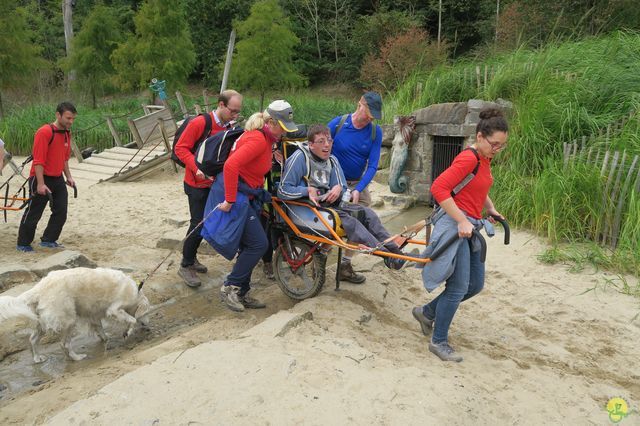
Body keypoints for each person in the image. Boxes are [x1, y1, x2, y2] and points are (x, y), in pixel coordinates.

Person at [412, 108, 508, 362]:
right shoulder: (469, 158)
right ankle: (438, 341)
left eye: (501, 145)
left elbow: (477, 184)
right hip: (455, 227)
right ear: (480, 137)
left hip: (469, 225)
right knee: (457, 287)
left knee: (474, 285)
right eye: (494, 144)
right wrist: (463, 219)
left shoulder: (483, 159)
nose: (497, 149)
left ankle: (426, 312)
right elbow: (439, 188)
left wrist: (490, 208)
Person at [277, 124, 406, 270]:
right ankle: (387, 256)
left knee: (368, 213)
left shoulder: (332, 160)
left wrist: (338, 188)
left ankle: (396, 253)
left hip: (330, 206)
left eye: (329, 140)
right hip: (308, 208)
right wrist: (306, 190)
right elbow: (283, 190)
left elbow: (344, 188)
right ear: (311, 145)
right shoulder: (300, 158)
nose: (327, 145)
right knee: (353, 223)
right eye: (321, 141)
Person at [217, 100, 298, 312]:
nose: (283, 133)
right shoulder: (258, 140)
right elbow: (230, 165)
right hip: (238, 197)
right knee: (259, 244)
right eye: (282, 127)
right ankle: (230, 287)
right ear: (270, 122)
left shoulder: (266, 139)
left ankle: (242, 292)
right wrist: (229, 200)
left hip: (249, 195)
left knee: (248, 246)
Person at [174, 90, 243, 288]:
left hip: (214, 183)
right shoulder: (200, 123)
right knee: (198, 222)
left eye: (238, 112)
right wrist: (197, 169)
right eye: (232, 111)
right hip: (196, 183)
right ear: (221, 105)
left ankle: (192, 258)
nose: (235, 115)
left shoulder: (229, 125)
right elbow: (181, 148)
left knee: (209, 221)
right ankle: (186, 264)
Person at [327, 91, 384, 283]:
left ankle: (345, 264)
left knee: (360, 221)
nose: (370, 118)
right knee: (330, 221)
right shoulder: (338, 124)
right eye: (369, 113)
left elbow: (373, 165)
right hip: (333, 182)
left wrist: (358, 188)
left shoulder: (375, 132)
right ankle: (321, 254)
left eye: (374, 116)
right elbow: (319, 150)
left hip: (357, 183)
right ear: (360, 104)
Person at [17, 102, 77, 252]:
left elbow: (64, 159)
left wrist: (68, 177)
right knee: (34, 213)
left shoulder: (66, 134)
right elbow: (38, 161)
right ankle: (23, 243)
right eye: (68, 118)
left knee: (61, 211)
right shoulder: (44, 132)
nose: (71, 122)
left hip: (57, 179)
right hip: (40, 178)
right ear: (58, 115)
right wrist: (40, 184)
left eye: (73, 119)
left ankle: (49, 239)